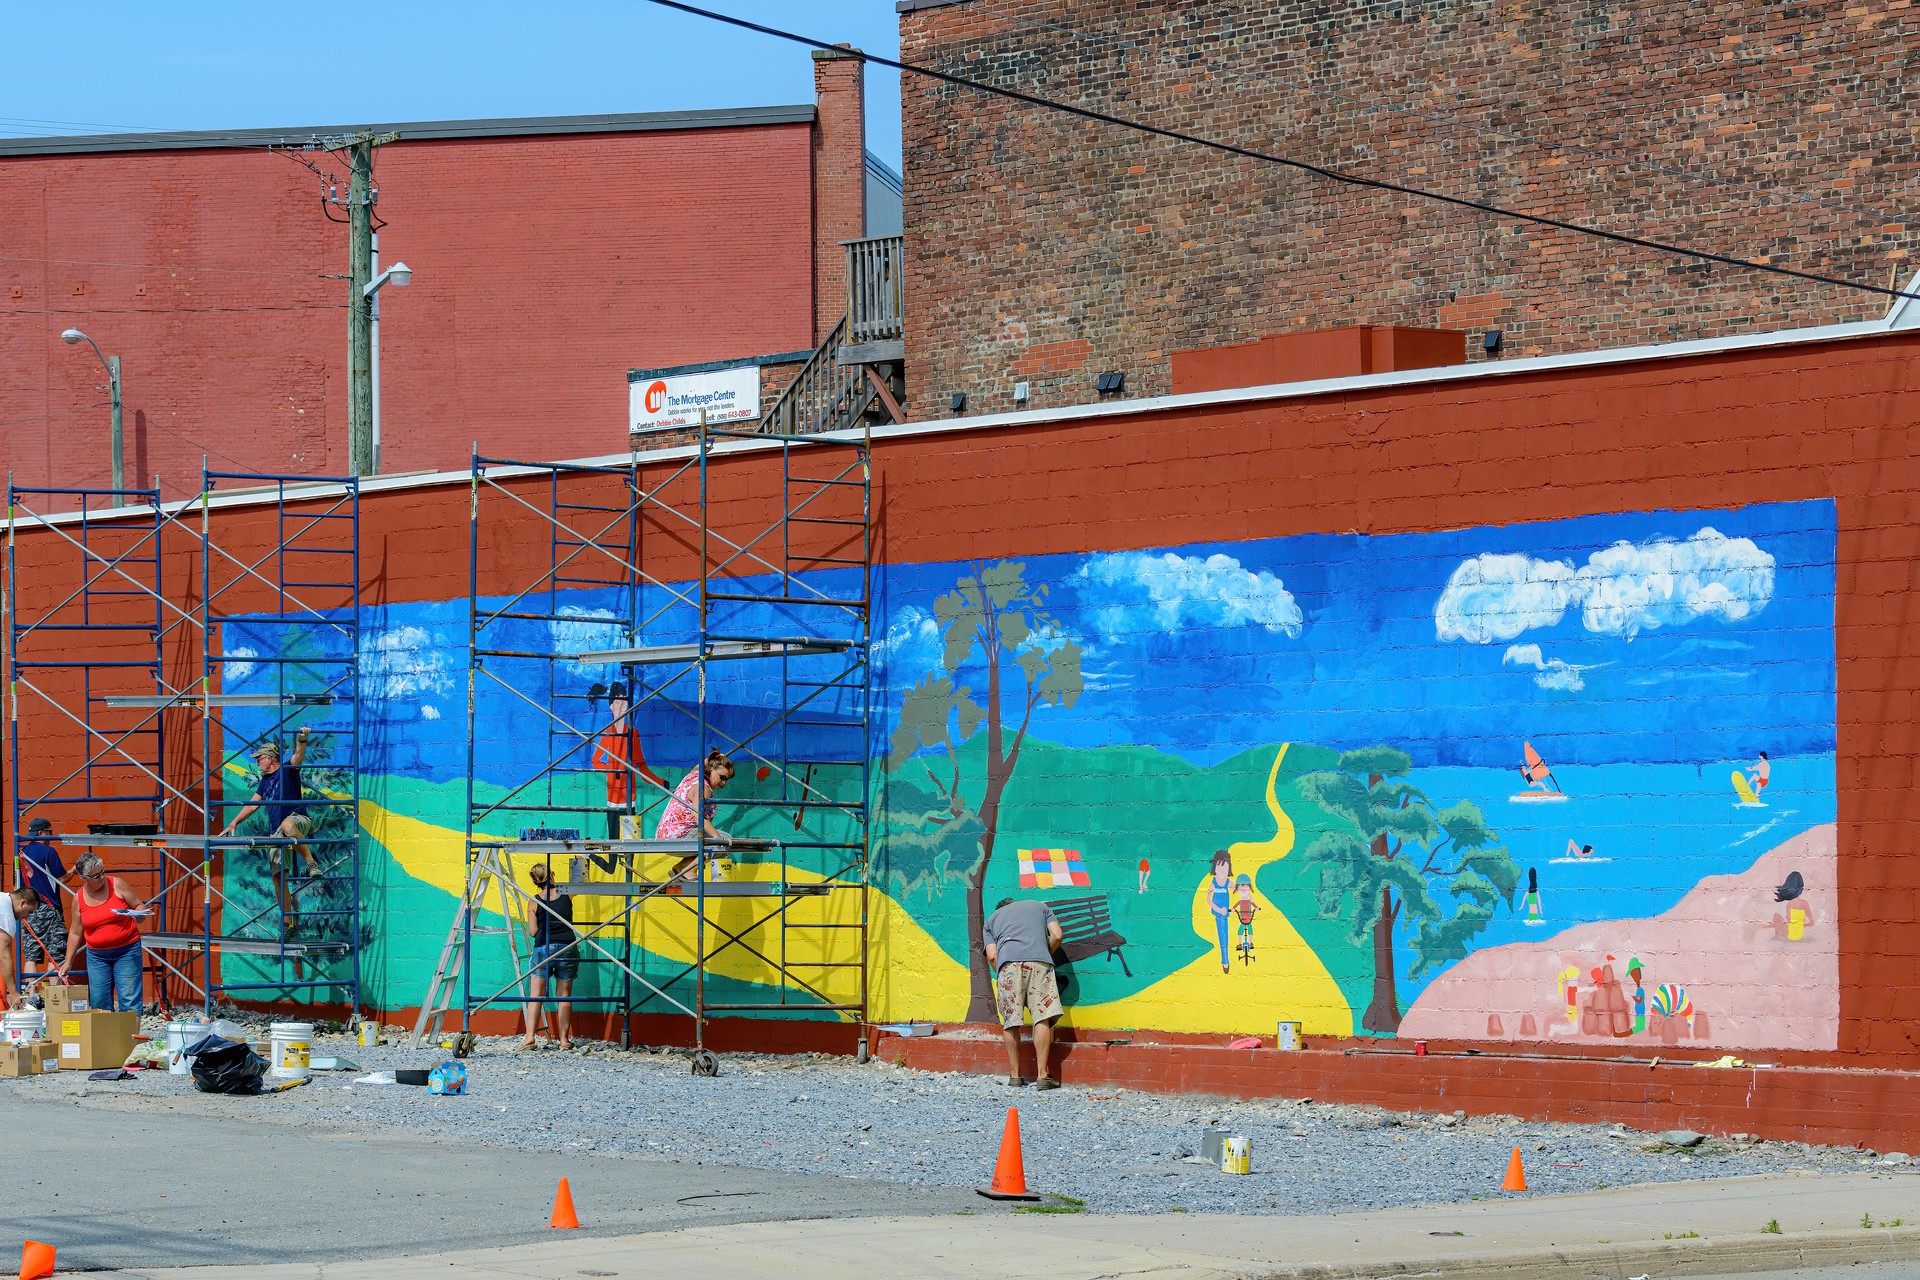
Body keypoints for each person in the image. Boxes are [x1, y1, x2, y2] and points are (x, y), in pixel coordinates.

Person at [219, 728, 320, 919]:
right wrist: (234, 822)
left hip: (297, 819)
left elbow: (298, 756)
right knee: (278, 879)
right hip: (277, 833)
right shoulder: (265, 782)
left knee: (287, 826)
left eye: (259, 758)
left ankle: (311, 863)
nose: (257, 762)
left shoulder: (287, 769)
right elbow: (252, 805)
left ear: (269, 758)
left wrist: (302, 738)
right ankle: (288, 922)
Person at [982, 896, 1064, 1090]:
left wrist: (1004, 973)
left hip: (1008, 966)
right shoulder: (1040, 906)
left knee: (1011, 1022)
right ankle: (1043, 1076)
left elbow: (992, 955)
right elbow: (1057, 935)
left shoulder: (991, 920)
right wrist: (1044, 953)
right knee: (1042, 1018)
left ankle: (1015, 1075)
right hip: (1039, 963)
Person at [56, 853, 150, 1014]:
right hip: (97, 956)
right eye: (96, 875)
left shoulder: (117, 884)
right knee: (100, 1001)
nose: (102, 877)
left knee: (129, 998)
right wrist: (68, 961)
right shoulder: (78, 898)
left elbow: (138, 905)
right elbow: (75, 932)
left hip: (126, 949)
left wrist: (140, 914)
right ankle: (106, 1037)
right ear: (84, 878)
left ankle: (131, 1038)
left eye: (103, 872)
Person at [591, 686, 665, 841]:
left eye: (624, 702)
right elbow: (596, 761)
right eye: (617, 703)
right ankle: (591, 855)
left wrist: (659, 782)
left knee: (631, 843)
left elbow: (641, 767)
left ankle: (627, 865)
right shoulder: (608, 734)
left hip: (629, 799)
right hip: (612, 799)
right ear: (611, 706)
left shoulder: (633, 733)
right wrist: (612, 769)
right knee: (612, 845)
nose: (620, 707)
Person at [520, 862, 577, 1050]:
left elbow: (533, 931)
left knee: (535, 995)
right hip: (567, 948)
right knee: (564, 996)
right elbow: (582, 883)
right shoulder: (567, 894)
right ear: (551, 875)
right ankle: (564, 1040)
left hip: (543, 949)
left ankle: (530, 1038)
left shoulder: (533, 901)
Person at [655, 749, 736, 880]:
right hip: (678, 836)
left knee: (708, 839)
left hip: (665, 834)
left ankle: (681, 868)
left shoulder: (693, 775)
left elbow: (702, 764)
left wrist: (714, 757)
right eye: (722, 777)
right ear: (710, 769)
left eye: (726, 779)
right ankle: (689, 871)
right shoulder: (703, 788)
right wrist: (716, 838)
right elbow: (697, 815)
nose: (723, 782)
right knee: (724, 839)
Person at [1, 885, 38, 1009]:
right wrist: (13, 993)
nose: (26, 917)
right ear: (23, 902)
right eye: (29, 912)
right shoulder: (6, 914)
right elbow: (4, 956)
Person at [17, 817, 66, 903]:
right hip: (48, 906)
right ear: (40, 833)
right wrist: (74, 870)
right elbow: (61, 879)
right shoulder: (49, 851)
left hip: (27, 908)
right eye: (50, 831)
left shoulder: (20, 853)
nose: (51, 835)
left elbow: (16, 881)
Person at [1209, 850, 1233, 973]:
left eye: (1225, 867)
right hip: (1219, 914)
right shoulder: (1214, 883)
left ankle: (1225, 960)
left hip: (1226, 914)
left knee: (1225, 936)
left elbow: (1237, 888)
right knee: (1223, 936)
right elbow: (1208, 899)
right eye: (1219, 866)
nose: (1222, 870)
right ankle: (1225, 961)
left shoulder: (1228, 882)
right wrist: (1218, 909)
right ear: (1215, 867)